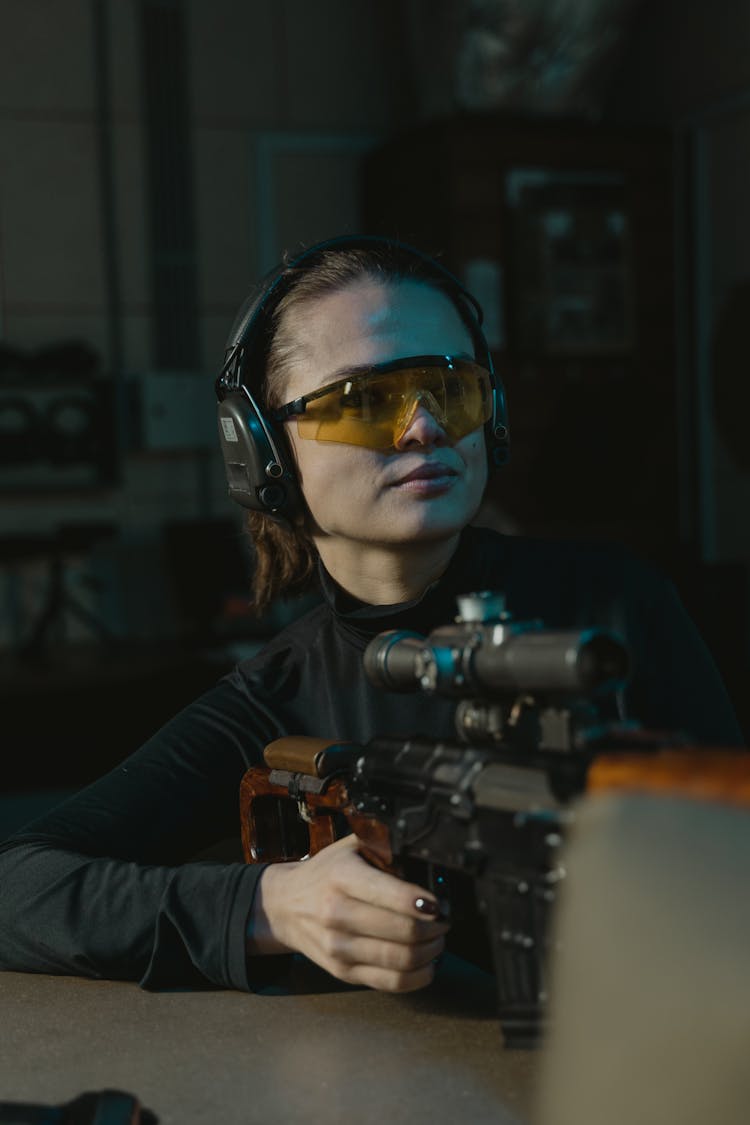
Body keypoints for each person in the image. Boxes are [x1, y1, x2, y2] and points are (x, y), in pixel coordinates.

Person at [0, 235, 742, 997]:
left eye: (451, 388)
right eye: (364, 402)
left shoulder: (617, 604)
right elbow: (16, 888)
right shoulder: (274, 698)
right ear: (263, 453)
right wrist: (275, 906)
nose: (425, 429)